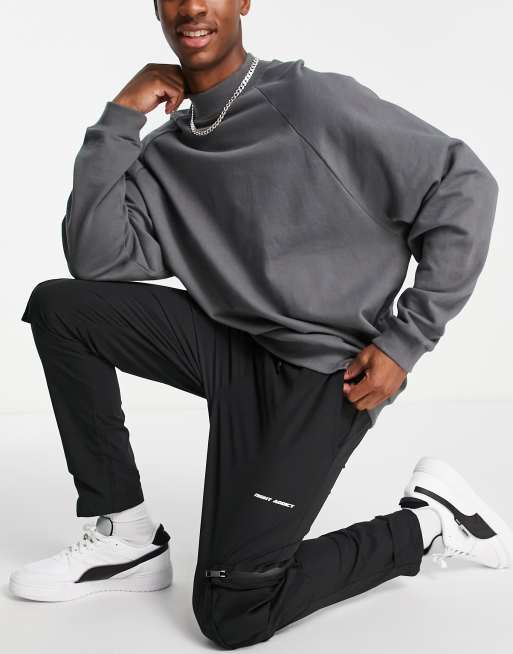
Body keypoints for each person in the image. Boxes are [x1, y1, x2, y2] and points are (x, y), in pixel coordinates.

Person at [10, 0, 512, 649]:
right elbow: (95, 257)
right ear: (157, 8)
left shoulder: (307, 102)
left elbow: (464, 184)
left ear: (242, 1)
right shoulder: (169, 153)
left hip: (325, 375)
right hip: (231, 350)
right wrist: (122, 115)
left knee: (232, 612)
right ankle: (124, 536)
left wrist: (405, 340)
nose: (192, 6)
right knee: (62, 309)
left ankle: (426, 526)